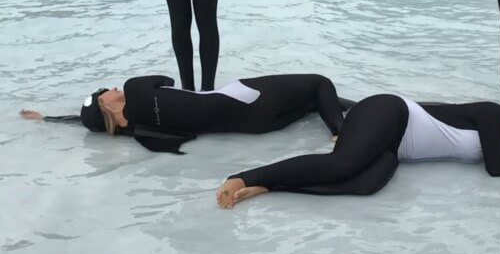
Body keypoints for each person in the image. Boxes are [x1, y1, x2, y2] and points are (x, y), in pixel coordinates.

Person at [215, 97, 500, 207]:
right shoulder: (492, 117)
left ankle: (273, 188)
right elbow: (494, 172)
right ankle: (246, 176)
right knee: (342, 164)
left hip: (394, 145)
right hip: (391, 113)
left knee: (366, 184)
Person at [20, 72, 350, 154]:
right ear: (107, 104)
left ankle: (339, 119)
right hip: (245, 97)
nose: (108, 87)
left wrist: (48, 119)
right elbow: (167, 80)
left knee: (310, 103)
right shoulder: (134, 87)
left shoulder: (139, 130)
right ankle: (339, 131)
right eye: (102, 92)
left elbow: (89, 121)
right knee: (319, 85)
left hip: (256, 125)